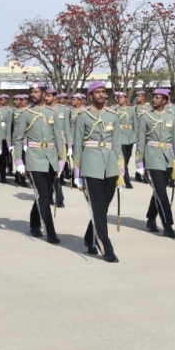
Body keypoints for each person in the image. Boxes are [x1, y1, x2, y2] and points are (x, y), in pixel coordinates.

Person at [72, 81, 122, 262]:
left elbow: (117, 144)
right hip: (90, 163)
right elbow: (77, 145)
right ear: (90, 96)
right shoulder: (82, 116)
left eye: (103, 91)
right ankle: (106, 247)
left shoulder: (113, 116)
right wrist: (77, 172)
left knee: (103, 206)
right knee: (98, 207)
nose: (101, 94)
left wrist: (121, 169)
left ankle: (89, 236)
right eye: (97, 92)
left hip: (110, 164)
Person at [13, 82, 65, 243]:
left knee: (46, 194)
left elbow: (58, 137)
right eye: (31, 92)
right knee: (43, 195)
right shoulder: (25, 114)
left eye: (36, 92)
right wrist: (18, 160)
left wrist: (62, 159)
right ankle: (51, 232)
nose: (33, 94)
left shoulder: (53, 113)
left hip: (50, 158)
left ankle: (34, 223)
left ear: (43, 93)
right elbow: (18, 138)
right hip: (34, 158)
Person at [135, 88, 175, 239]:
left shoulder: (172, 117)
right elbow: (141, 141)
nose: (154, 99)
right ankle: (168, 225)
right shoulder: (145, 117)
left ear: (165, 100)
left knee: (158, 190)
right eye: (153, 97)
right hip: (152, 156)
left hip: (167, 157)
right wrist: (139, 162)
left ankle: (151, 217)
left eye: (158, 97)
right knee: (161, 191)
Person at [113, 91, 137, 187]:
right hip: (120, 137)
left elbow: (135, 124)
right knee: (122, 159)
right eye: (118, 98)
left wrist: (135, 137)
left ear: (126, 98)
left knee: (127, 159)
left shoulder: (131, 110)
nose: (119, 99)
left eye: (121, 97)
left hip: (130, 137)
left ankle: (120, 175)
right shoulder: (115, 110)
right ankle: (127, 181)